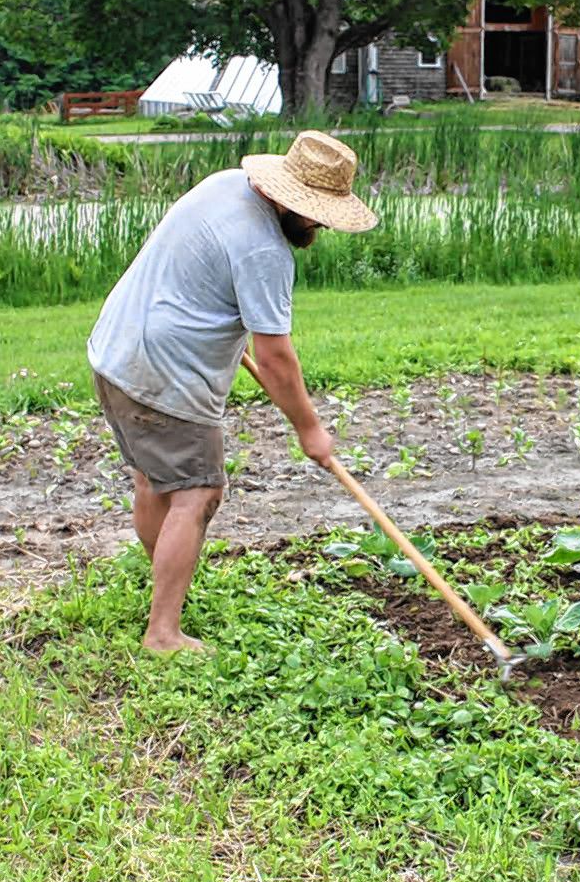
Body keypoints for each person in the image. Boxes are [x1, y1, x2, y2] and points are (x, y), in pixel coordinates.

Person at [87, 131, 377, 652]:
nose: (317, 225)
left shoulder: (225, 186)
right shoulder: (265, 251)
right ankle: (163, 633)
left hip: (115, 352)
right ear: (291, 201)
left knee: (155, 482)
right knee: (196, 493)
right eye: (316, 214)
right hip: (163, 375)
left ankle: (166, 593)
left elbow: (195, 268)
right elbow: (275, 358)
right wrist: (310, 429)